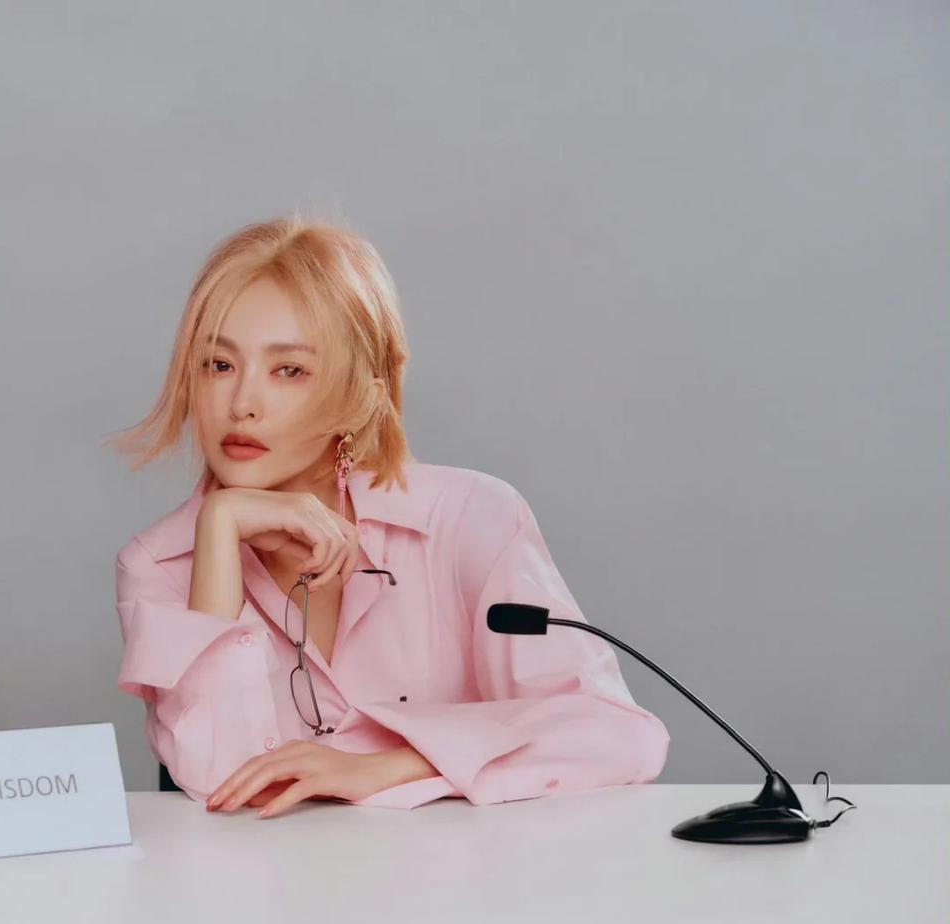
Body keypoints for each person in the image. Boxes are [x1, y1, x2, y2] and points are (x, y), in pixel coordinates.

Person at [105, 214, 670, 819]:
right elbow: (218, 779)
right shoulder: (158, 565)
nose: (241, 404)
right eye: (218, 365)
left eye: (289, 370)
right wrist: (219, 527)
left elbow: (617, 734)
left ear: (362, 398)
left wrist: (392, 765)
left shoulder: (469, 520)